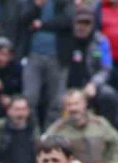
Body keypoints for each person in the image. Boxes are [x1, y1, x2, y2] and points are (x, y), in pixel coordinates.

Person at [46, 89, 118, 163]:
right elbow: (46, 152)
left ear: (84, 104)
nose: (73, 108)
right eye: (69, 105)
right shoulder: (57, 130)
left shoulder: (99, 124)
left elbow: (116, 141)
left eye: (76, 104)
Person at [21, 0, 75, 129]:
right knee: (30, 98)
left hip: (58, 56)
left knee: (56, 101)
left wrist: (42, 25)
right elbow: (22, 20)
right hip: (33, 55)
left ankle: (51, 133)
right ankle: (33, 132)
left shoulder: (66, 2)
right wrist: (36, 6)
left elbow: (68, 21)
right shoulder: (31, 2)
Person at [67, 8, 118, 127]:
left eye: (87, 23)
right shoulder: (65, 38)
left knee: (108, 95)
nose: (82, 27)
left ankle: (106, 129)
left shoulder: (101, 41)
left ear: (92, 24)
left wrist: (94, 84)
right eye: (79, 23)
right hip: (67, 84)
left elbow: (106, 68)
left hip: (91, 84)